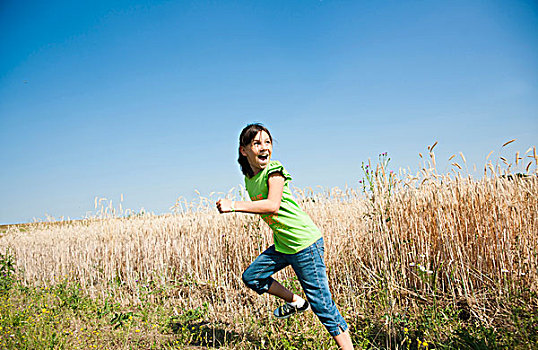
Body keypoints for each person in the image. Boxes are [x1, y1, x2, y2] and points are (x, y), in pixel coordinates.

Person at [216, 123, 353, 349]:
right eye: (257, 143)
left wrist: (234, 205)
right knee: (252, 276)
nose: (264, 147)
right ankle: (296, 302)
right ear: (244, 150)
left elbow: (272, 205)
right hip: (283, 245)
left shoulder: (275, 171)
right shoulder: (250, 178)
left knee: (322, 305)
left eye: (267, 142)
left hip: (304, 244)